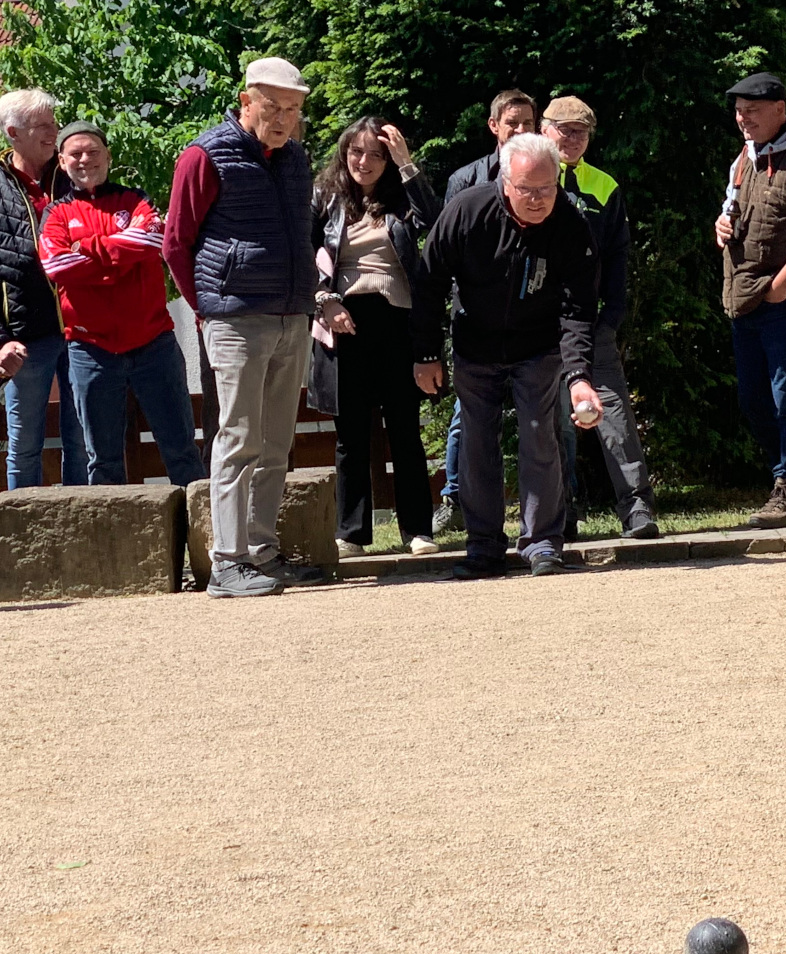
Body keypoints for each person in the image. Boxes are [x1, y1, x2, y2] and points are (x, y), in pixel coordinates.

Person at [162, 57, 327, 599]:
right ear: (246, 101)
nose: (283, 119)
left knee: (277, 442)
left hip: (291, 315)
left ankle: (261, 551)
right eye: (273, 107)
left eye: (293, 110)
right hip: (234, 317)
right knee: (237, 438)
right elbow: (176, 243)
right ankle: (227, 562)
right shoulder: (205, 154)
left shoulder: (296, 158)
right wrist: (207, 310)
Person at [414, 132, 600, 578]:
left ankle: (542, 543)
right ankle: (483, 546)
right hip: (476, 344)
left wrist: (578, 376)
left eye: (547, 189)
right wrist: (426, 353)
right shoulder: (467, 210)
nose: (538, 199)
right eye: (526, 189)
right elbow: (428, 281)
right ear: (505, 181)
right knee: (477, 443)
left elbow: (577, 310)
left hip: (538, 346)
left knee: (540, 437)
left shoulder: (571, 224)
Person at [37, 121, 204, 486]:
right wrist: (121, 256)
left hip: (154, 343)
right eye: (75, 154)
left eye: (93, 151)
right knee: (103, 461)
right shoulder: (55, 214)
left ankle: (199, 524)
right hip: (90, 349)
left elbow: (152, 241)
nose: (85, 159)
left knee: (182, 451)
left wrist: (88, 249)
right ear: (62, 162)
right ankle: (111, 527)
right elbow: (57, 266)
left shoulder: (136, 200)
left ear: (108, 156)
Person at [309, 116, 441, 558]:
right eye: (356, 152)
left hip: (397, 319)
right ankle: (351, 534)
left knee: (405, 429)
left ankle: (417, 530)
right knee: (351, 435)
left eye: (376, 155)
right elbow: (304, 254)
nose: (364, 162)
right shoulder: (325, 197)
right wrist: (325, 301)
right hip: (344, 319)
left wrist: (407, 164)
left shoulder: (401, 198)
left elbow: (435, 222)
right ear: (344, 152)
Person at [715, 72, 786, 529]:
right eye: (739, 112)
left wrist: (782, 286)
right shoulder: (744, 157)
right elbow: (731, 209)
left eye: (752, 111)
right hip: (745, 300)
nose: (743, 119)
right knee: (754, 401)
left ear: (780, 110)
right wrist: (721, 225)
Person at [543, 95, 658, 539]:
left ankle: (637, 508)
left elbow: (617, 258)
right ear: (546, 130)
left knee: (614, 416)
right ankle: (561, 514)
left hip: (593, 326)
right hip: (542, 325)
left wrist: (611, 316)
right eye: (565, 130)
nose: (573, 139)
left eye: (582, 132)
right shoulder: (530, 175)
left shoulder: (604, 186)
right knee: (551, 421)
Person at [435, 88, 540, 536]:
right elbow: (447, 251)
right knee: (469, 418)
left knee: (546, 422)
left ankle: (560, 509)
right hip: (476, 318)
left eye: (527, 123)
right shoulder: (466, 179)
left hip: (530, 320)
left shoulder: (544, 170)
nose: (520, 130)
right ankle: (455, 498)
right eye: (512, 123)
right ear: (494, 126)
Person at [0, 88, 86, 490]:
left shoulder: (73, 174)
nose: (54, 133)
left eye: (54, 123)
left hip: (82, 329)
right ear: (13, 133)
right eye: (43, 126)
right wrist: (1, 340)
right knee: (24, 446)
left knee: (82, 440)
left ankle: (86, 519)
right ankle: (22, 525)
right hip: (25, 337)